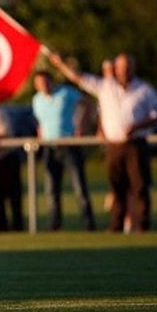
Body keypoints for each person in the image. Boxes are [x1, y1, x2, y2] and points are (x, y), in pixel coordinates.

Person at [49, 51, 157, 232]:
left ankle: (142, 225)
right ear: (115, 68)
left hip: (135, 143)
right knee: (116, 187)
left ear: (133, 68)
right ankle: (116, 225)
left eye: (127, 67)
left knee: (139, 186)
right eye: (120, 67)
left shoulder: (144, 90)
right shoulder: (105, 87)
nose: (124, 71)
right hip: (114, 145)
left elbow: (156, 113)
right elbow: (79, 78)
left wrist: (138, 125)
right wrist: (60, 64)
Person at [31, 71, 97, 231]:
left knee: (79, 187)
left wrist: (82, 125)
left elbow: (87, 104)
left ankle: (88, 224)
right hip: (50, 147)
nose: (43, 86)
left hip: (69, 144)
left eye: (45, 82)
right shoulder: (37, 100)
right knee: (51, 189)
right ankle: (54, 225)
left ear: (51, 81)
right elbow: (41, 121)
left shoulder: (66, 93)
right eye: (39, 83)